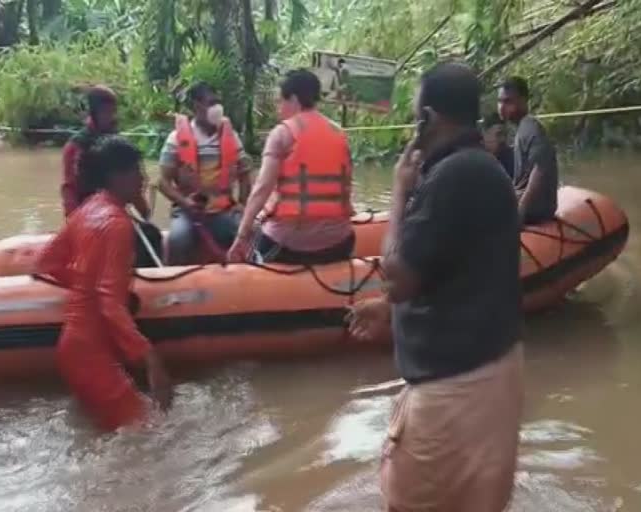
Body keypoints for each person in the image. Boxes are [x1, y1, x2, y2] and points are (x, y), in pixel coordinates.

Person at [346, 63, 523, 511]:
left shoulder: (449, 178)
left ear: (427, 117)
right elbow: (464, 271)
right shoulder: (484, 169)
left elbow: (399, 275)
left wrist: (400, 193)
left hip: (453, 392)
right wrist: (389, 309)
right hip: (494, 374)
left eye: (414, 115)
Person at [38, 136, 173, 431]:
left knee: (108, 435)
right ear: (117, 176)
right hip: (89, 352)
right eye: (137, 171)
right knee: (143, 434)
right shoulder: (117, 225)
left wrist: (86, 282)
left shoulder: (86, 210)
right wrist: (150, 359)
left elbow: (46, 264)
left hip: (74, 346)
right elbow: (110, 304)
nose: (142, 178)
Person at [227, 69, 354, 265]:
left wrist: (241, 236)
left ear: (293, 99)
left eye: (279, 101)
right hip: (340, 242)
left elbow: (261, 190)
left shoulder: (282, 134)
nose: (278, 108)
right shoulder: (339, 133)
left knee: (254, 245)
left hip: (291, 242)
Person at [61, 85, 162, 267]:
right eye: (107, 112)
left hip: (115, 215)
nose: (113, 117)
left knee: (150, 235)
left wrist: (143, 211)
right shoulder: (76, 147)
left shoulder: (119, 144)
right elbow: (69, 190)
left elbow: (134, 186)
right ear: (94, 113)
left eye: (114, 111)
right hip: (89, 218)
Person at [158, 82, 252, 265]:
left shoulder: (232, 137)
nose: (217, 107)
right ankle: (175, 287)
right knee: (178, 240)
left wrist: (242, 204)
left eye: (218, 102)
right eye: (211, 102)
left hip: (224, 211)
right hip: (188, 213)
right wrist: (185, 202)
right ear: (196, 106)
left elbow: (245, 175)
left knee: (250, 236)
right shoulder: (176, 139)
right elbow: (163, 183)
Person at [498, 76, 559, 224]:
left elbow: (540, 170)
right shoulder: (521, 129)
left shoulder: (531, 128)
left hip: (537, 209)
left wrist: (521, 211)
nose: (501, 107)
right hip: (521, 197)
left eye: (508, 102)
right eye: (499, 101)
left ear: (523, 101)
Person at [482, 111, 515, 179]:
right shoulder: (476, 160)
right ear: (485, 134)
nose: (502, 139)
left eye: (505, 134)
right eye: (498, 134)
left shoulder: (512, 159)